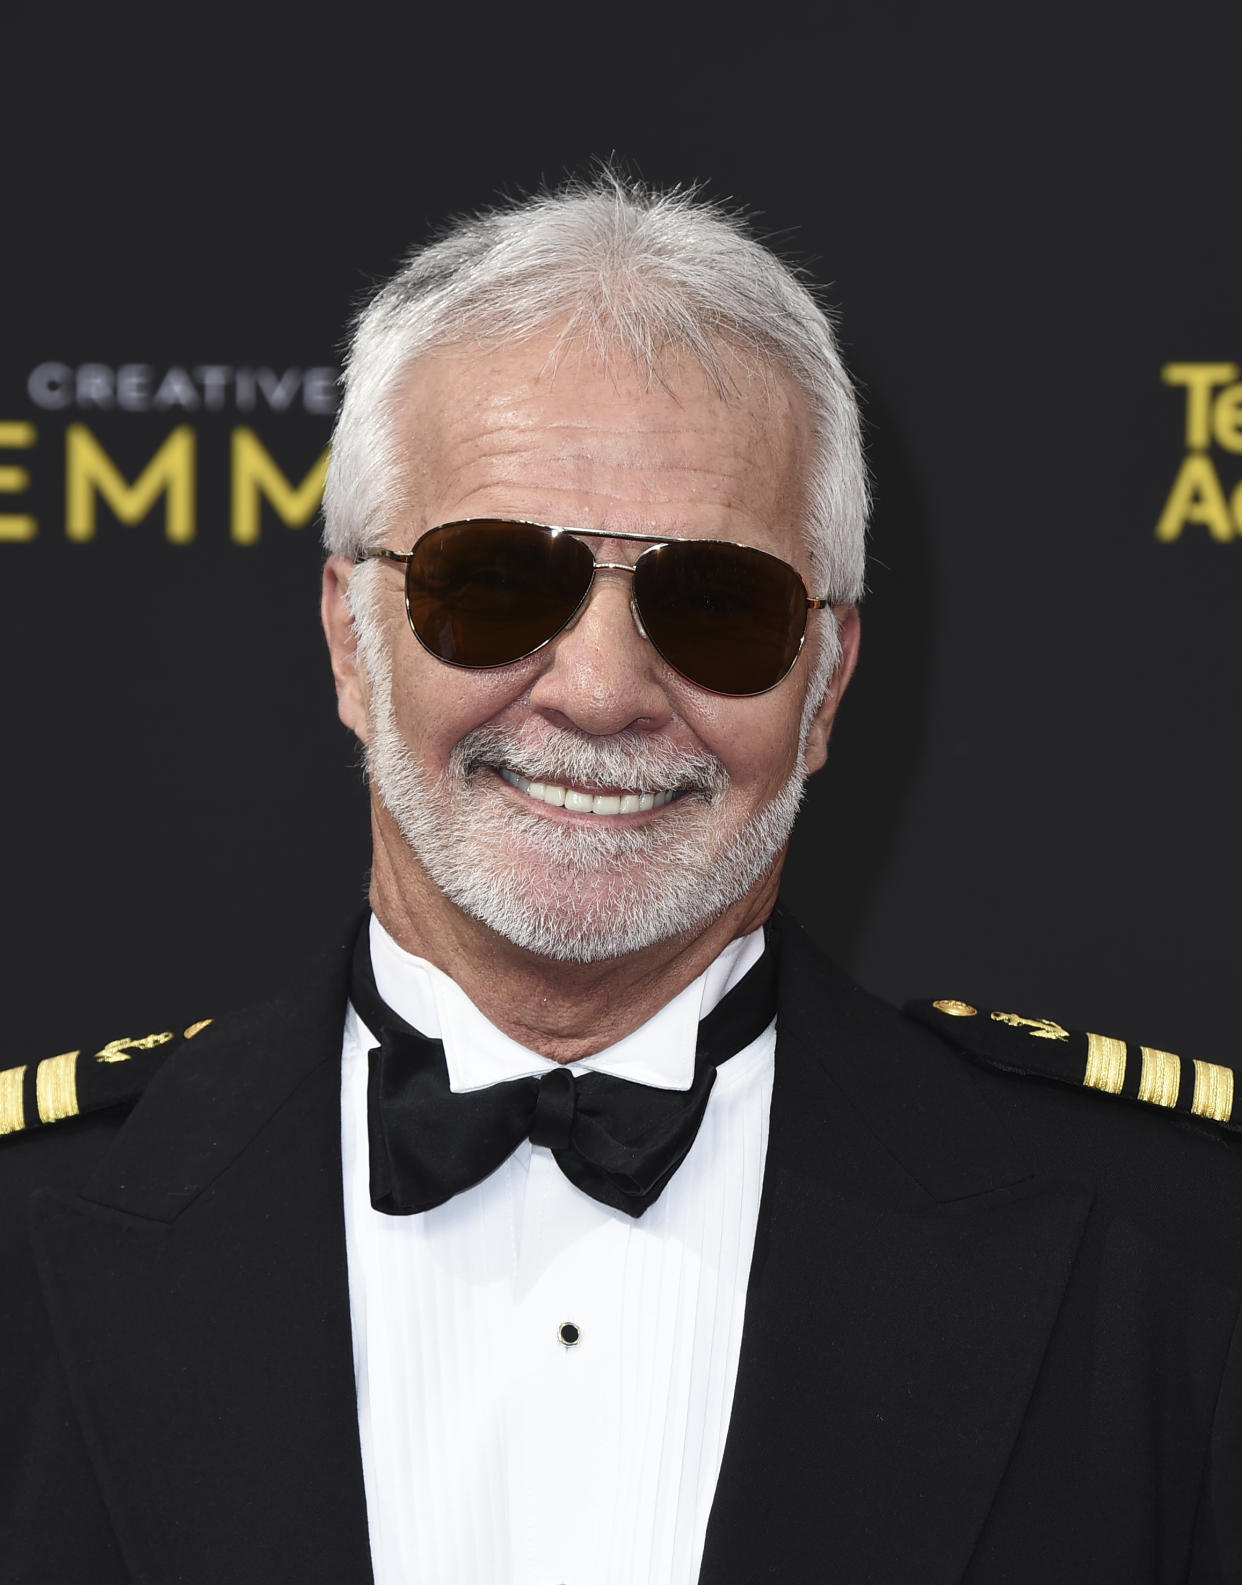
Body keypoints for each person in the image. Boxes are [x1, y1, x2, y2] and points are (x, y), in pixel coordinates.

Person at [2, 174, 1241, 1585]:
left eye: (714, 602)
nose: (598, 691)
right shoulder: (32, 1235)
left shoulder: (1172, 1265)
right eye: (494, 584)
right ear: (353, 640)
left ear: (825, 681)